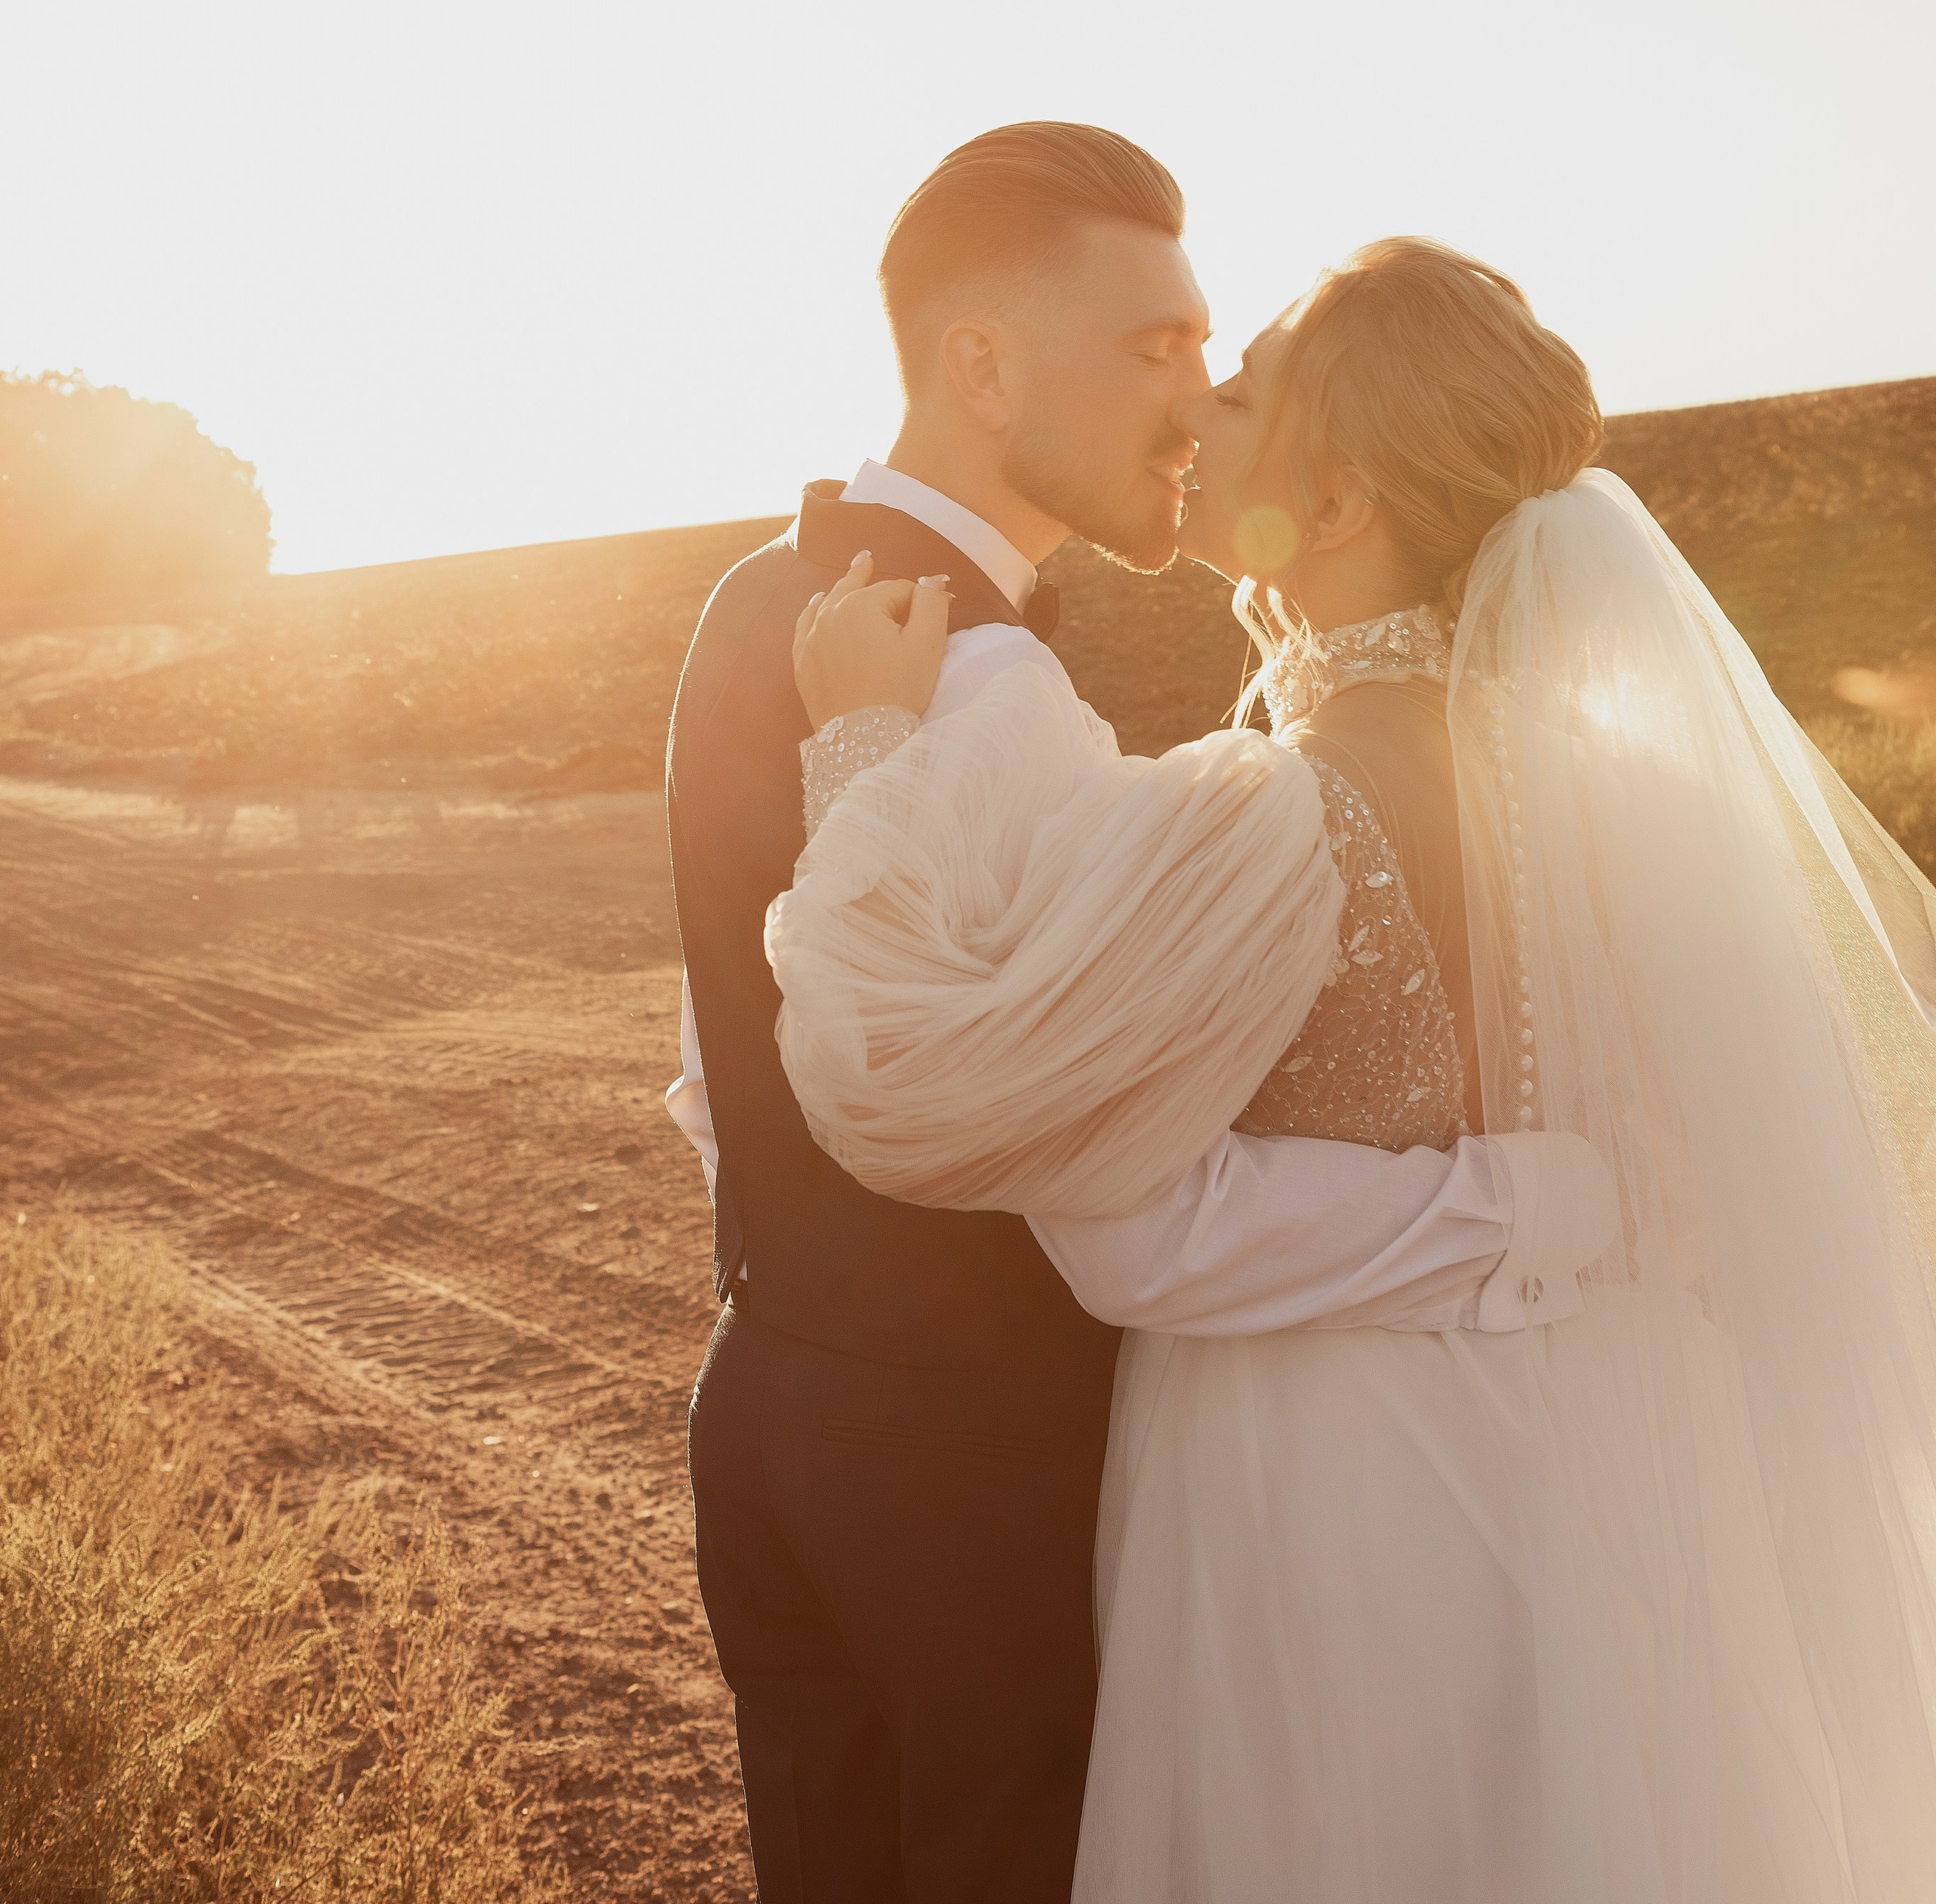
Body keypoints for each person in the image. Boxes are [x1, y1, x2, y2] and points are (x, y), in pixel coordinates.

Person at [774, 235, 1936, 1902]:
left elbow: (1056, 1183)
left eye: (1239, 388)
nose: (1194, 415)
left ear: (1331, 510)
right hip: (1610, 1504)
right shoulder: (1640, 802)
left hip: (1333, 1506)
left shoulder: (1268, 813)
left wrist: (863, 745)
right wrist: (1558, 1207)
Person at [666, 134, 1612, 1904]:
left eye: (1215, 360)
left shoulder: (758, 600)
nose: (1190, 401)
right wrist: (1538, 1210)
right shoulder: (988, 681)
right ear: (981, 364)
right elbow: (965, 1105)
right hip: (975, 1467)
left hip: (777, 1412)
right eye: (1157, 346)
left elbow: (717, 1060)